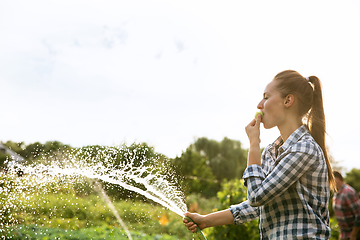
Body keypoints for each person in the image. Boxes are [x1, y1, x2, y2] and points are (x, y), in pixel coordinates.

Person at [183, 70, 336, 239]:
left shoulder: (304, 149)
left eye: (266, 97)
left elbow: (257, 196)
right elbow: (258, 204)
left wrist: (254, 143)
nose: (259, 104)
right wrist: (206, 220)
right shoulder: (271, 152)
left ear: (288, 100)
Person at [333, 170, 360, 240]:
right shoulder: (336, 193)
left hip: (355, 235)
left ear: (336, 179)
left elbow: (359, 214)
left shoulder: (348, 192)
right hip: (344, 235)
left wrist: (353, 235)